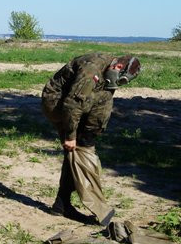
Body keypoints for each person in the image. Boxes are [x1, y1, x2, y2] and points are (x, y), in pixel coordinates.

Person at [42, 53, 140, 226]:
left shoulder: (110, 72)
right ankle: (62, 204)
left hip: (79, 101)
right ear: (117, 67)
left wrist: (91, 134)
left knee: (82, 148)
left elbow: (103, 100)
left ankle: (61, 204)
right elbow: (72, 104)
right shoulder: (91, 70)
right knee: (74, 151)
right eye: (120, 76)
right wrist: (70, 136)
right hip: (58, 102)